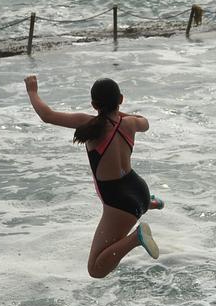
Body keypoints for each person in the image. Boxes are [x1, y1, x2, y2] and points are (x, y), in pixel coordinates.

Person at [24, 75, 164, 277]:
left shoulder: (88, 123)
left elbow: (47, 116)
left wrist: (32, 92)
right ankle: (148, 203)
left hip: (120, 202)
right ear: (121, 100)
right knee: (129, 203)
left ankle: (137, 238)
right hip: (138, 188)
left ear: (93, 104)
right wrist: (118, 112)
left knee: (96, 269)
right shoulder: (131, 123)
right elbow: (146, 123)